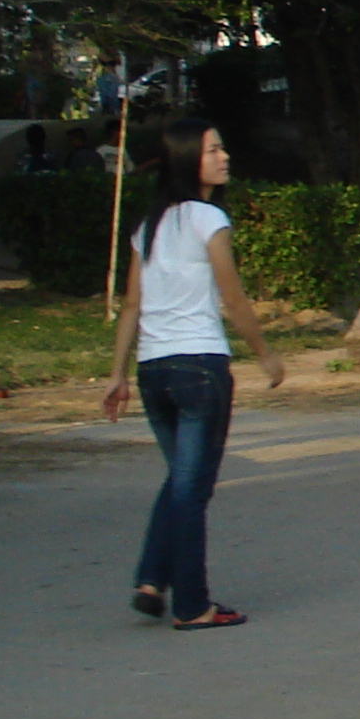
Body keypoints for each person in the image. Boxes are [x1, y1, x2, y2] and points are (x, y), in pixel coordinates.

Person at [100, 118, 285, 631]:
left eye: (222, 148)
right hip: (200, 368)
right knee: (191, 489)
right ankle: (193, 605)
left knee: (181, 480)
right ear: (188, 161)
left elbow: (132, 304)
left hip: (154, 372)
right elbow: (233, 295)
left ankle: (150, 578)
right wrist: (264, 353)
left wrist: (118, 374)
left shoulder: (147, 226)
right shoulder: (207, 218)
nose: (223, 157)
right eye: (212, 151)